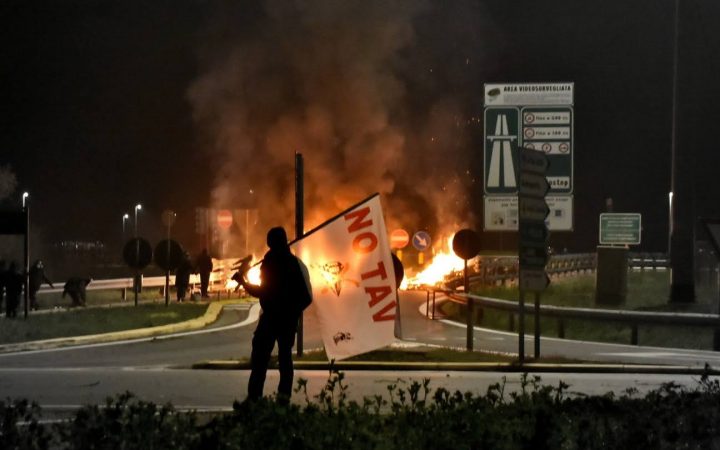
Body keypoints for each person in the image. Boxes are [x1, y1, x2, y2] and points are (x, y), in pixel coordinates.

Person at [236, 227, 312, 403]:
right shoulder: (294, 264)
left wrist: (243, 283)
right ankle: (283, 398)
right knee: (285, 359)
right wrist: (293, 312)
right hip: (287, 320)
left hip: (272, 318)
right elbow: (305, 296)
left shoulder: (271, 264)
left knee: (260, 358)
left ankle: (255, 397)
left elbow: (263, 291)